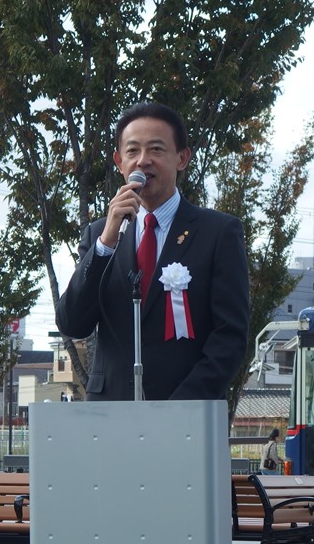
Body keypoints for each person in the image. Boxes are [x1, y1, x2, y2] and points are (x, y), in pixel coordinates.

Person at [56, 102, 249, 401]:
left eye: (156, 150)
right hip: (110, 413)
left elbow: (230, 336)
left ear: (182, 158)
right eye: (132, 151)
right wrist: (105, 244)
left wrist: (182, 405)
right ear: (119, 162)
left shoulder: (218, 233)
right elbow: (72, 323)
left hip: (185, 413)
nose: (143, 161)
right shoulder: (100, 233)